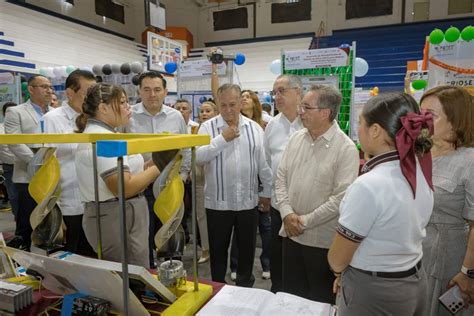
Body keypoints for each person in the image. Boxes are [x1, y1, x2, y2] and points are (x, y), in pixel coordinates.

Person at [328, 93, 434, 315]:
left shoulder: (369, 186)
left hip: (375, 290)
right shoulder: (420, 170)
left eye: (360, 123)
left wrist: (341, 271)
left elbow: (337, 259)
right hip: (413, 279)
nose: (358, 129)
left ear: (375, 130)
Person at [275, 84, 359, 303]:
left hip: (321, 243)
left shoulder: (346, 148)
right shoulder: (296, 139)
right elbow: (281, 178)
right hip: (290, 236)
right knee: (291, 298)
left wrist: (303, 221)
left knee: (320, 301)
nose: (300, 112)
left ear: (325, 112)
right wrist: (286, 213)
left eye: (306, 107)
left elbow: (341, 198)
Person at [75, 83, 160, 268]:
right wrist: (159, 167)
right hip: (115, 215)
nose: (128, 107)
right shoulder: (104, 139)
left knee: (134, 274)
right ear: (103, 108)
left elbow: (129, 171)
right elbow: (124, 187)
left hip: (122, 212)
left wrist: (155, 162)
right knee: (127, 278)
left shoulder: (108, 134)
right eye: (122, 102)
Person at [196, 84, 272, 287]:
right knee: (218, 254)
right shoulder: (207, 127)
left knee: (247, 252)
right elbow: (198, 157)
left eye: (232, 104)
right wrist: (222, 139)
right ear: (217, 104)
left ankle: (245, 290)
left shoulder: (255, 128)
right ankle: (217, 290)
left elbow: (263, 164)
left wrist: (266, 191)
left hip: (248, 202)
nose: (228, 110)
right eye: (223, 105)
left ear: (241, 102)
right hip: (218, 203)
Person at [420, 85, 474, 315]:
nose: (421, 120)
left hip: (448, 261)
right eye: (420, 112)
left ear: (455, 119)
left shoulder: (469, 160)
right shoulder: (419, 154)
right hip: (414, 255)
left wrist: (467, 272)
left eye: (430, 115)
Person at [127, 71, 188, 268]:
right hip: (139, 185)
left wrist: (184, 175)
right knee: (142, 234)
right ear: (139, 91)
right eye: (147, 90)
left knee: (170, 232)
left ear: (165, 92)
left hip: (170, 184)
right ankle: (147, 274)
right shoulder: (128, 116)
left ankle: (172, 273)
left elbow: (185, 147)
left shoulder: (176, 116)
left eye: (157, 90)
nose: (152, 94)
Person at [43, 69, 96, 255]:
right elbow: (47, 166)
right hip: (67, 204)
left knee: (93, 258)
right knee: (68, 259)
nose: (92, 99)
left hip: (93, 203)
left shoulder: (94, 119)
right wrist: (52, 209)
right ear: (70, 93)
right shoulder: (52, 120)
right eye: (87, 94)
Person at [264, 74, 304, 292]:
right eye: (274, 92)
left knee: (301, 256)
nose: (276, 97)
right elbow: (267, 161)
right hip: (279, 206)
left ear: (298, 92)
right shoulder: (271, 126)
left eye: (282, 91)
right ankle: (277, 292)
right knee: (277, 255)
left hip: (306, 207)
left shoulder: (311, 122)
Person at [4, 75, 53, 250]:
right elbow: (14, 142)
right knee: (26, 222)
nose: (49, 90)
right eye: (44, 86)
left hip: (52, 177)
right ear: (31, 89)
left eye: (50, 87)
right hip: (27, 176)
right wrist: (39, 162)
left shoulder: (54, 112)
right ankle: (21, 260)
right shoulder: (16, 111)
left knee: (49, 222)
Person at [229, 89, 271, 281]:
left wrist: (267, 189)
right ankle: (236, 265)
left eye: (247, 97)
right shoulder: (235, 124)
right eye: (241, 97)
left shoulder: (265, 124)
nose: (244, 100)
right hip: (245, 186)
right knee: (241, 229)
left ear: (255, 102)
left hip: (264, 181)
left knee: (265, 227)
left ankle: (266, 264)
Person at [196, 100, 218, 264]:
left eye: (208, 111)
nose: (204, 114)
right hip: (198, 177)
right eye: (202, 111)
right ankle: (205, 248)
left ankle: (218, 247)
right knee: (201, 215)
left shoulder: (219, 131)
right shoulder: (194, 130)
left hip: (215, 177)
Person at [0, 102, 18, 216]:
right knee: (14, 196)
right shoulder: (0, 128)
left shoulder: (22, 127)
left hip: (25, 164)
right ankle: (18, 220)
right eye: (8, 112)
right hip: (9, 167)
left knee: (26, 197)